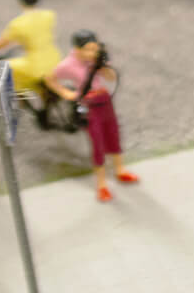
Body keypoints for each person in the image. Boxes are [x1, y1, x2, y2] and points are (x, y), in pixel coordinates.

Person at [45, 30, 138, 201]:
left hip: (105, 101)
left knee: (114, 135)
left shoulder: (97, 59)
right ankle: (101, 184)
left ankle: (119, 170)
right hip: (89, 106)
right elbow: (49, 78)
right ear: (77, 49)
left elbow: (110, 78)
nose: (92, 53)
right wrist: (65, 93)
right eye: (88, 49)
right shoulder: (68, 65)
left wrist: (103, 64)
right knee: (98, 143)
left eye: (95, 48)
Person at [0, 0, 61, 101]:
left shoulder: (18, 24)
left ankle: (20, 100)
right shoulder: (49, 15)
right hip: (54, 58)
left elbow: (1, 43)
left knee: (5, 69)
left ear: (20, 1)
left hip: (35, 64)